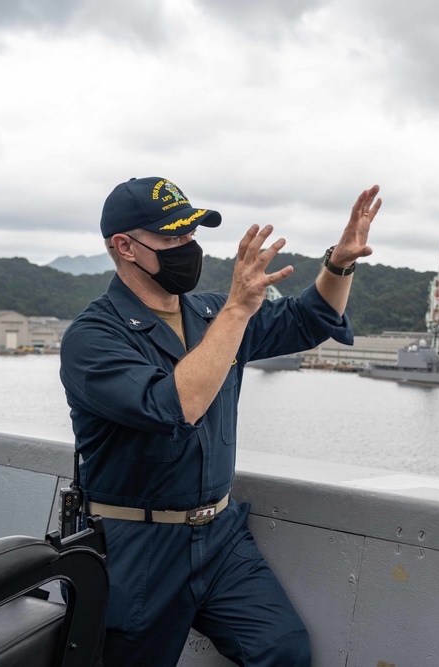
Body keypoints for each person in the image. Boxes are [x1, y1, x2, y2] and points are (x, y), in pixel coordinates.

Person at [60, 176, 381, 666]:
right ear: (124, 246)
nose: (188, 248)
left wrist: (340, 262)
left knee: (281, 649)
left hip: (220, 537)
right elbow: (173, 406)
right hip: (136, 548)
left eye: (191, 236)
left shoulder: (209, 313)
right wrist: (237, 308)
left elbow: (308, 320)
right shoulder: (93, 338)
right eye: (171, 239)